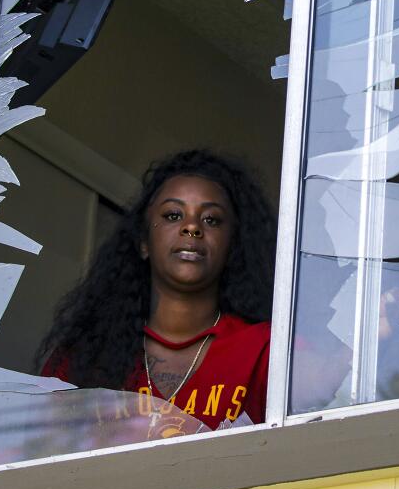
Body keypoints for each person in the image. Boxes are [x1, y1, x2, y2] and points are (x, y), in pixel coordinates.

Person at [40, 149, 276, 429]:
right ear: (143, 242)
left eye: (211, 219)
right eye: (173, 215)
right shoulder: (83, 357)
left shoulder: (265, 350)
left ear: (232, 247)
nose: (192, 227)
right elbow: (41, 451)